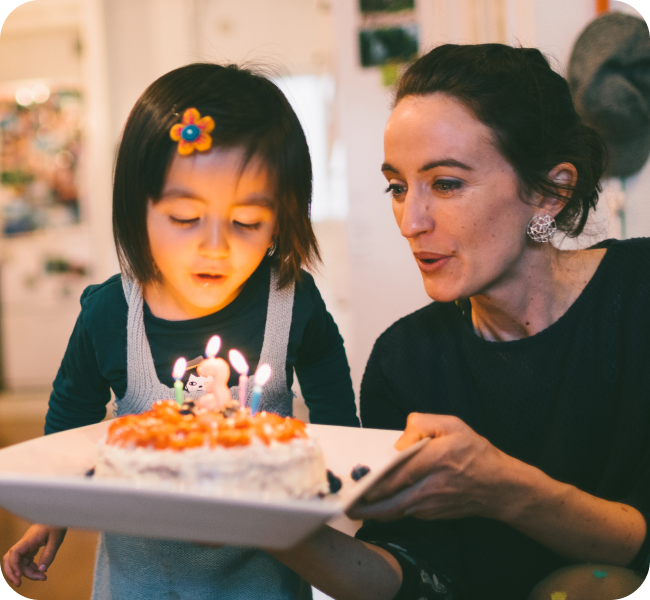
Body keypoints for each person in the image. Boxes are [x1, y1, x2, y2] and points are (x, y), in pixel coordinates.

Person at [263, 44, 650, 600]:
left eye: (445, 184)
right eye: (397, 187)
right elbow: (420, 579)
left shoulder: (638, 298)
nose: (410, 221)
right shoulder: (406, 361)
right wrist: (270, 527)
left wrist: (504, 489)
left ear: (550, 190)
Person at [2, 63, 359, 600]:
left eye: (245, 222)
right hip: (140, 583)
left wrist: (343, 498)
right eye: (185, 217)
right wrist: (54, 511)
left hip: (264, 580)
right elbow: (71, 411)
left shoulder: (292, 301)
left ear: (283, 219)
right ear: (137, 212)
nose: (214, 245)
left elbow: (336, 416)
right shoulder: (109, 312)